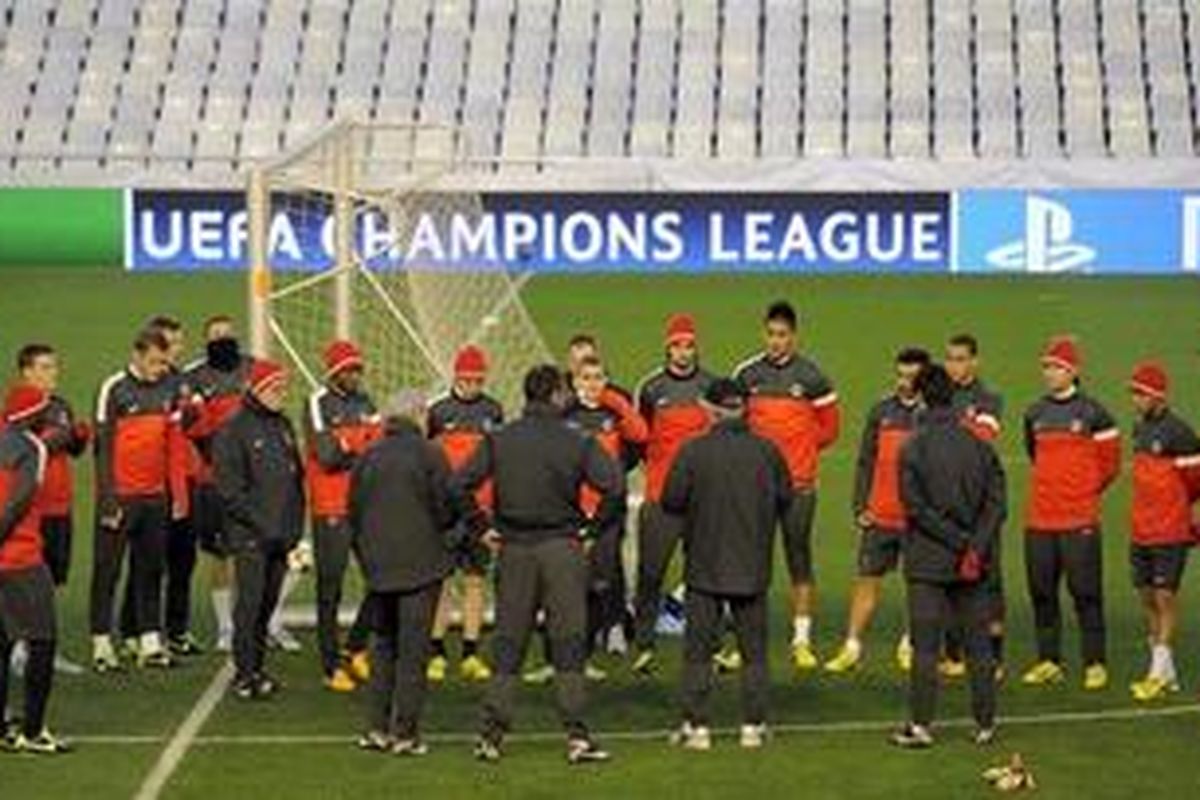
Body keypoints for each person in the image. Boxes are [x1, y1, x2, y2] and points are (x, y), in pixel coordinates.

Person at [454, 365, 620, 765]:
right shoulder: (577, 439)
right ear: (558, 395)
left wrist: (482, 526)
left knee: (509, 644)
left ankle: (491, 736)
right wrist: (592, 531)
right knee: (568, 643)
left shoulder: (500, 438)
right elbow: (613, 485)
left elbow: (457, 485)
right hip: (562, 550)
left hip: (514, 551)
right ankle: (577, 737)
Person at [662, 378, 792, 751]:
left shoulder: (693, 451)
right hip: (753, 566)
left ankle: (697, 728)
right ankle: (752, 727)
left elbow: (671, 500)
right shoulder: (768, 451)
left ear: (713, 409)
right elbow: (786, 499)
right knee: (753, 654)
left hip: (703, 566)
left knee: (698, 652)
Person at [892, 365, 1007, 749]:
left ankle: (921, 726)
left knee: (926, 646)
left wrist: (958, 542)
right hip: (973, 563)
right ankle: (986, 724)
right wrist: (974, 545)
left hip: (928, 562)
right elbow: (997, 505)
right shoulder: (979, 446)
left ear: (922, 397)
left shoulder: (913, 447)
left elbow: (916, 509)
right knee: (978, 645)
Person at [734, 300, 840, 672]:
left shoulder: (813, 377)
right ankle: (746, 641)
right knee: (751, 562)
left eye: (782, 335)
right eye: (770, 334)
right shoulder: (746, 375)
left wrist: (801, 452)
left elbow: (830, 430)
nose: (775, 341)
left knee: (799, 559)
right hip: (757, 486)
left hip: (798, 486)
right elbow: (736, 424)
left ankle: (801, 640)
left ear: (793, 336)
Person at [350, 390, 455, 756]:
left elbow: (355, 512)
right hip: (421, 568)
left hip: (378, 570)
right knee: (413, 652)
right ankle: (405, 733)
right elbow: (446, 508)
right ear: (418, 415)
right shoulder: (430, 454)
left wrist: (367, 560)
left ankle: (375, 728)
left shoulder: (368, 456)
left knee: (383, 648)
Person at [1020, 336, 1120, 691]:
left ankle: (1095, 663)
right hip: (1040, 521)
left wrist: (1082, 493)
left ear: (1073, 371)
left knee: (1086, 594)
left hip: (1079, 520)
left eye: (1056, 367)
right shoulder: (1035, 413)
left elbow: (1110, 465)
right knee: (1042, 594)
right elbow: (1034, 454)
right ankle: (1049, 661)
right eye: (1046, 367)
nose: (1049, 373)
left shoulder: (1095, 413)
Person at [825, 347, 929, 675]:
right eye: (900, 375)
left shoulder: (933, 416)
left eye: (911, 377)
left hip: (917, 520)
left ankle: (909, 645)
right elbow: (865, 460)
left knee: (919, 583)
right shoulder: (881, 410)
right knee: (866, 580)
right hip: (880, 515)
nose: (903, 382)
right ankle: (852, 647)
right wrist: (860, 505)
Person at [89, 328, 187, 671]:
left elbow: (174, 445)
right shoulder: (113, 389)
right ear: (137, 355)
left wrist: (178, 492)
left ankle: (149, 641)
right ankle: (101, 643)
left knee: (150, 570)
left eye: (164, 362)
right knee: (107, 571)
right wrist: (107, 500)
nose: (161, 368)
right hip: (121, 498)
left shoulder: (169, 390)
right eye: (155, 361)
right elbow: (101, 450)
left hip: (155, 497)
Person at [213, 360, 305, 700]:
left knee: (266, 606)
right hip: (250, 536)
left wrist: (293, 527)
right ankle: (244, 673)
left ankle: (257, 669)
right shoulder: (234, 430)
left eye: (283, 389)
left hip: (279, 535)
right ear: (257, 389)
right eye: (275, 389)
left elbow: (295, 479)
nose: (281, 395)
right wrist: (261, 525)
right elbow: (229, 491)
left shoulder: (282, 425)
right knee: (249, 605)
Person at [631, 313, 716, 674]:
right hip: (661, 498)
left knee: (705, 575)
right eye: (677, 345)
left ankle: (710, 645)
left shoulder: (712, 386)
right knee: (651, 573)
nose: (683, 352)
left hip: (702, 499)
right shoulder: (650, 388)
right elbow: (639, 437)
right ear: (668, 347)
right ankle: (645, 645)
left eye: (689, 345)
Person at [304, 340, 382, 692]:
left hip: (364, 506)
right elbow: (327, 455)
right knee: (330, 588)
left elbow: (378, 448)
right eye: (350, 370)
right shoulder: (317, 403)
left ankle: (355, 647)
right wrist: (358, 442)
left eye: (358, 369)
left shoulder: (366, 402)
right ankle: (328, 663)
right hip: (330, 508)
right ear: (335, 372)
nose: (356, 375)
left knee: (381, 579)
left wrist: (352, 444)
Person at [564, 353, 648, 680]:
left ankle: (609, 630)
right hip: (572, 511)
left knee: (605, 576)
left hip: (608, 510)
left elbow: (640, 434)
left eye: (599, 378)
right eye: (586, 378)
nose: (593, 384)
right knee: (570, 582)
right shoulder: (565, 414)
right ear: (575, 382)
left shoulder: (615, 411)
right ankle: (565, 650)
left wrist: (616, 401)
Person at [425, 345, 503, 684]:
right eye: (467, 379)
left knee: (474, 582)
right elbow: (427, 459)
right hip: (445, 512)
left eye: (478, 379)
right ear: (456, 376)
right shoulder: (438, 411)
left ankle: (471, 651)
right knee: (441, 582)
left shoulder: (493, 410)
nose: (472, 385)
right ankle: (436, 650)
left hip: (480, 513)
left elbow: (498, 460)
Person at [0, 385, 70, 754]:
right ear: (30, 415)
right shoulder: (32, 449)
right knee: (42, 640)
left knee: (1, 641)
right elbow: (17, 504)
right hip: (21, 559)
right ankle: (33, 729)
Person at [1125, 362, 1200, 701]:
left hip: (1169, 532)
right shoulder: (1139, 429)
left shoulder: (1182, 434)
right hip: (1141, 530)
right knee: (1147, 599)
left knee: (1164, 598)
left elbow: (1195, 483)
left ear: (1158, 395)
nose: (1134, 399)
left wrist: (1181, 517)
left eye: (1140, 393)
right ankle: (1166, 673)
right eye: (1133, 392)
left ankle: (1156, 672)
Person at [180, 316, 254, 653]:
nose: (222, 340)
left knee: (257, 552)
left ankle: (261, 621)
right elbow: (192, 430)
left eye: (227, 334)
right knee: (221, 555)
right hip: (213, 480)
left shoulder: (253, 368)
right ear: (205, 341)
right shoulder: (193, 376)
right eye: (215, 336)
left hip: (255, 480)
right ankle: (226, 627)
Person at [17, 345, 90, 675]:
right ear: (27, 372)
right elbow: (23, 451)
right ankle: (20, 647)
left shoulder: (60, 406)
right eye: (45, 367)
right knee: (27, 581)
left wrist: (78, 437)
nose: (53, 373)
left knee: (52, 581)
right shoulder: (19, 411)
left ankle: (45, 648)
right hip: (32, 510)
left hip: (61, 507)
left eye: (54, 366)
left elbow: (72, 449)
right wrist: (55, 439)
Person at [942, 333, 1006, 680]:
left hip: (981, 503)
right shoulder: (938, 395)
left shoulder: (989, 398)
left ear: (975, 361)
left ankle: (994, 658)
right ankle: (953, 654)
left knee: (988, 581)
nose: (955, 365)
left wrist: (945, 430)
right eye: (950, 358)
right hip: (946, 503)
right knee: (949, 575)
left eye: (961, 358)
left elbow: (983, 437)